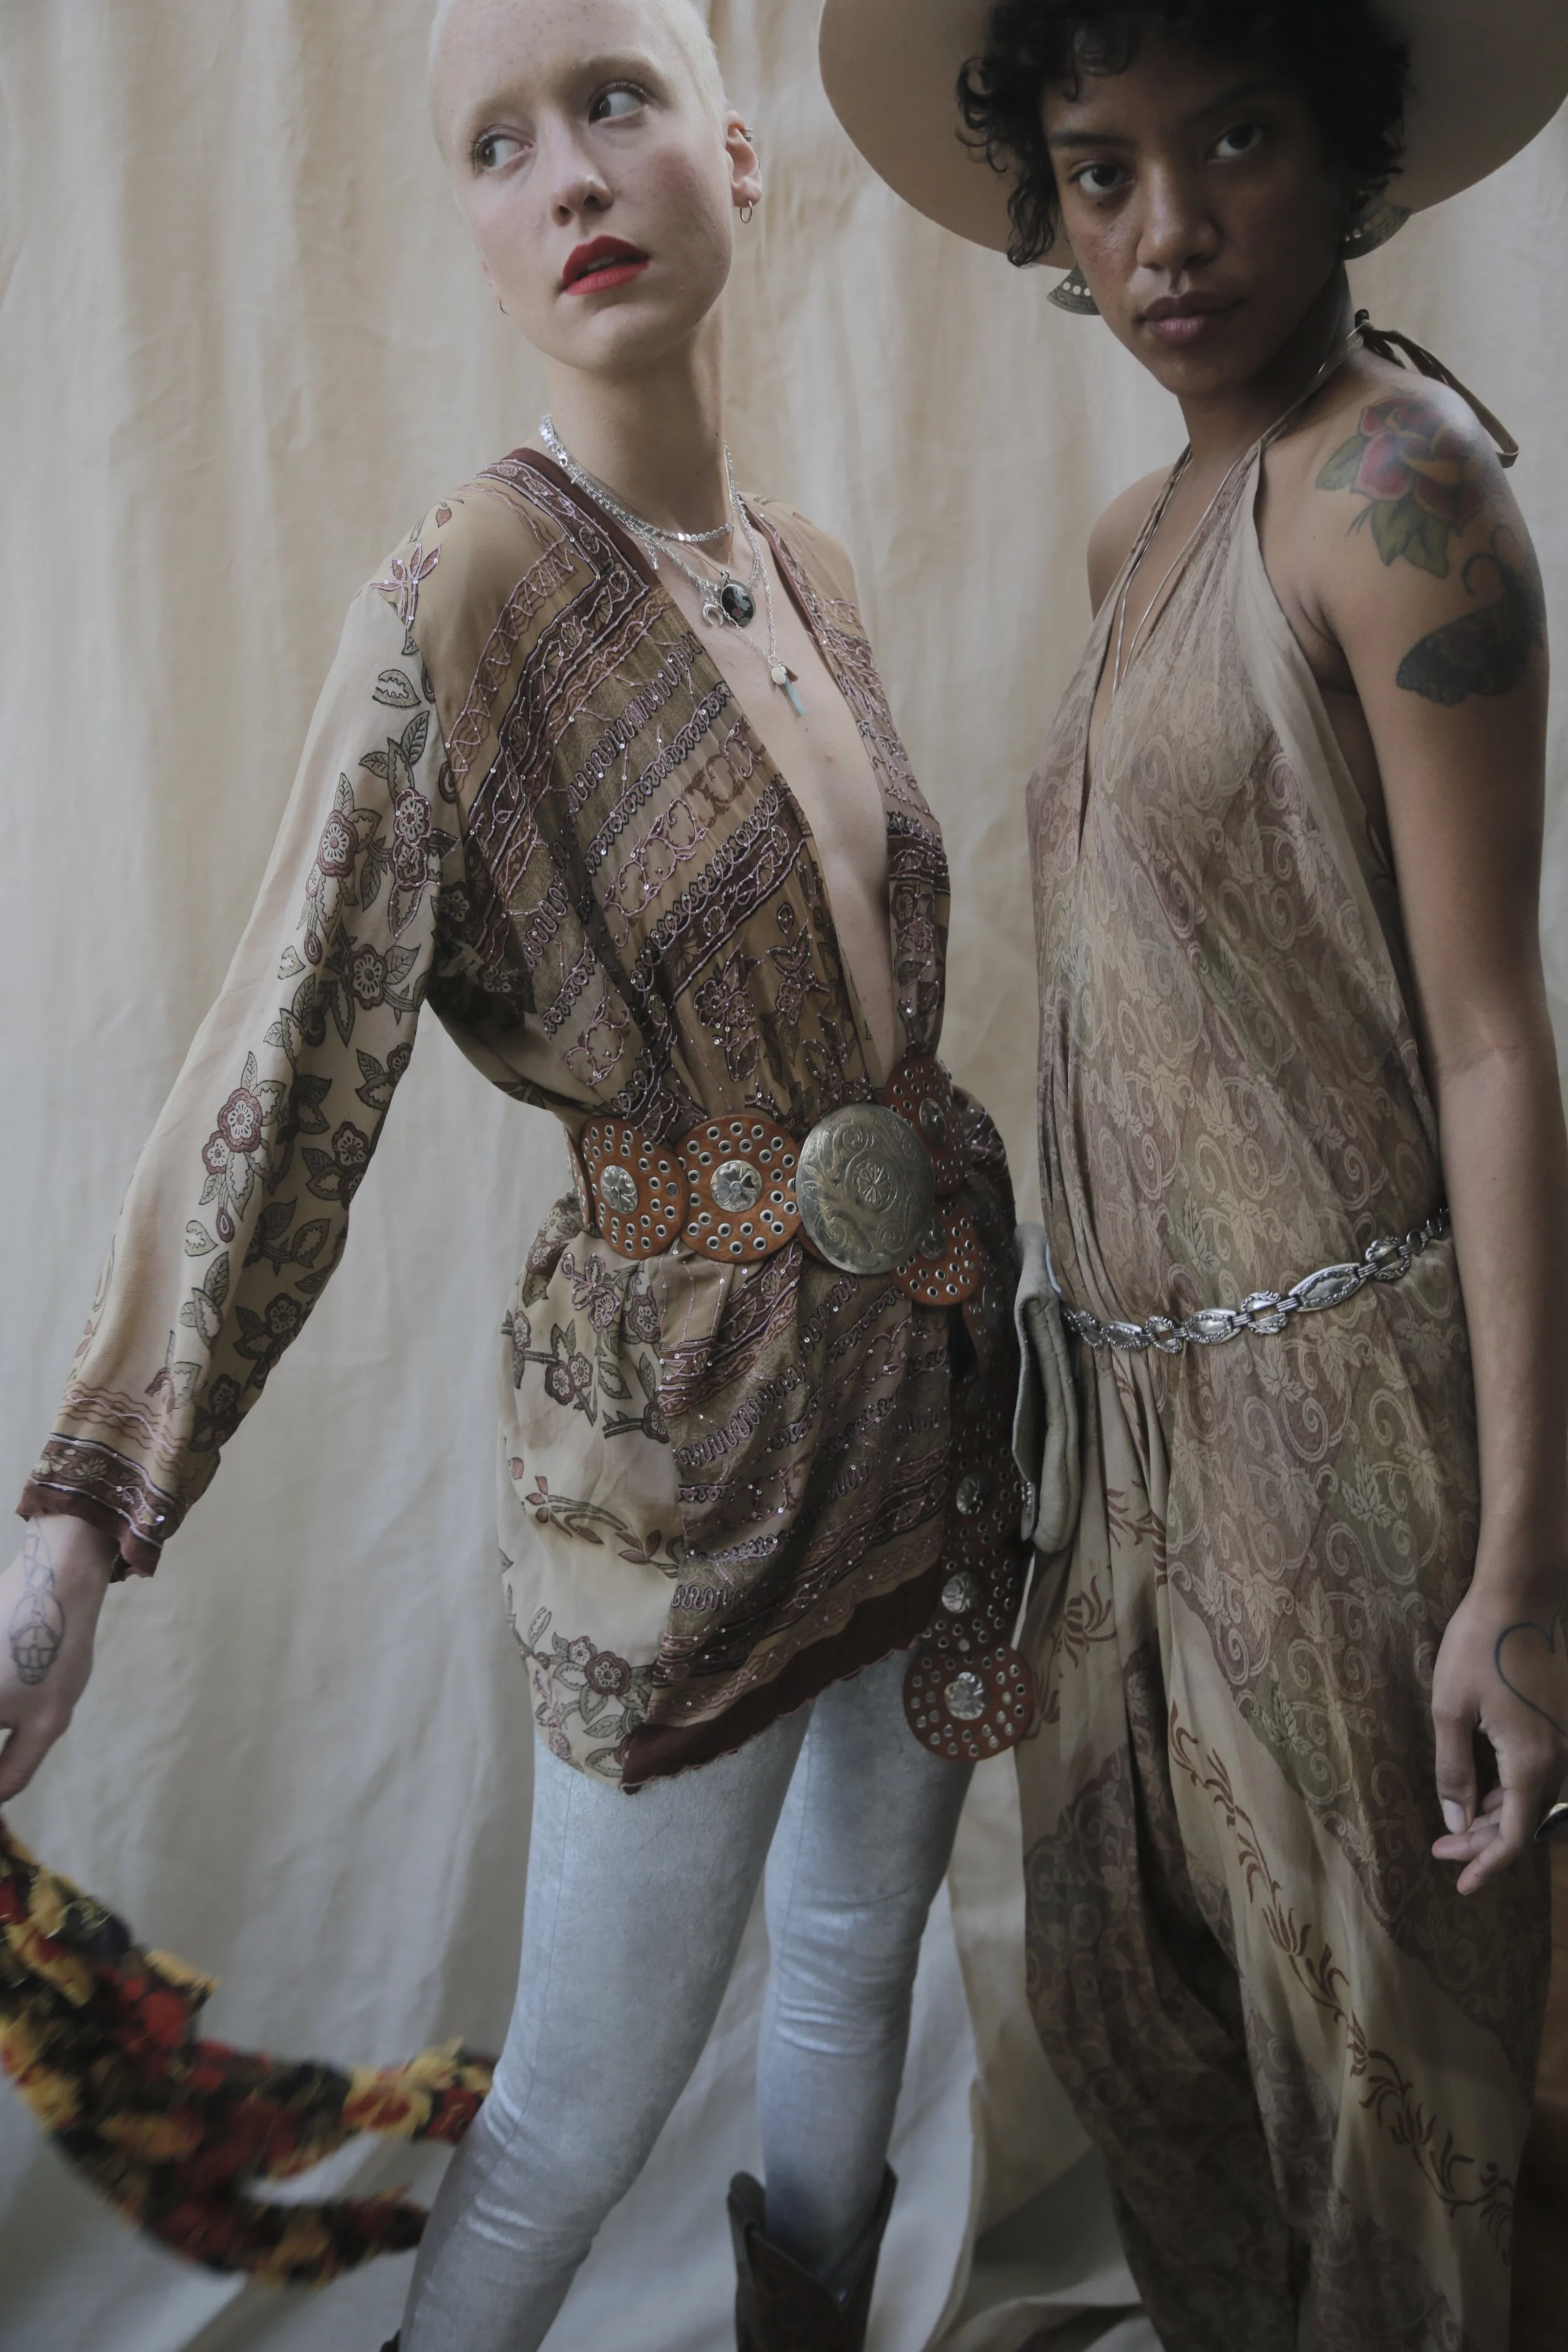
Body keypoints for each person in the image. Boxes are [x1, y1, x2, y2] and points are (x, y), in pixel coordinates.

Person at [0, 1, 1034, 2345]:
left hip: (925, 1384)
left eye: (616, 102)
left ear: (733, 156)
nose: (567, 173)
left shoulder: (815, 570)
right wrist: (84, 1507)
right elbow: (287, 1049)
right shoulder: (461, 592)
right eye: (499, 143)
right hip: (679, 1458)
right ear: (473, 232)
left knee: (856, 1948)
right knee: (579, 2104)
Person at [820, 1, 1568, 2346]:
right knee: (1135, 2025)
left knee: (1388, 2109)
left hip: (1352, 1432)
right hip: (1120, 1450)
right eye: (1099, 166)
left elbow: (1490, 1034)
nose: (1167, 230)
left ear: (1343, 151)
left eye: (1233, 139)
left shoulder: (1400, 491)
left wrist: (1515, 1571)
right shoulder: (1130, 535)